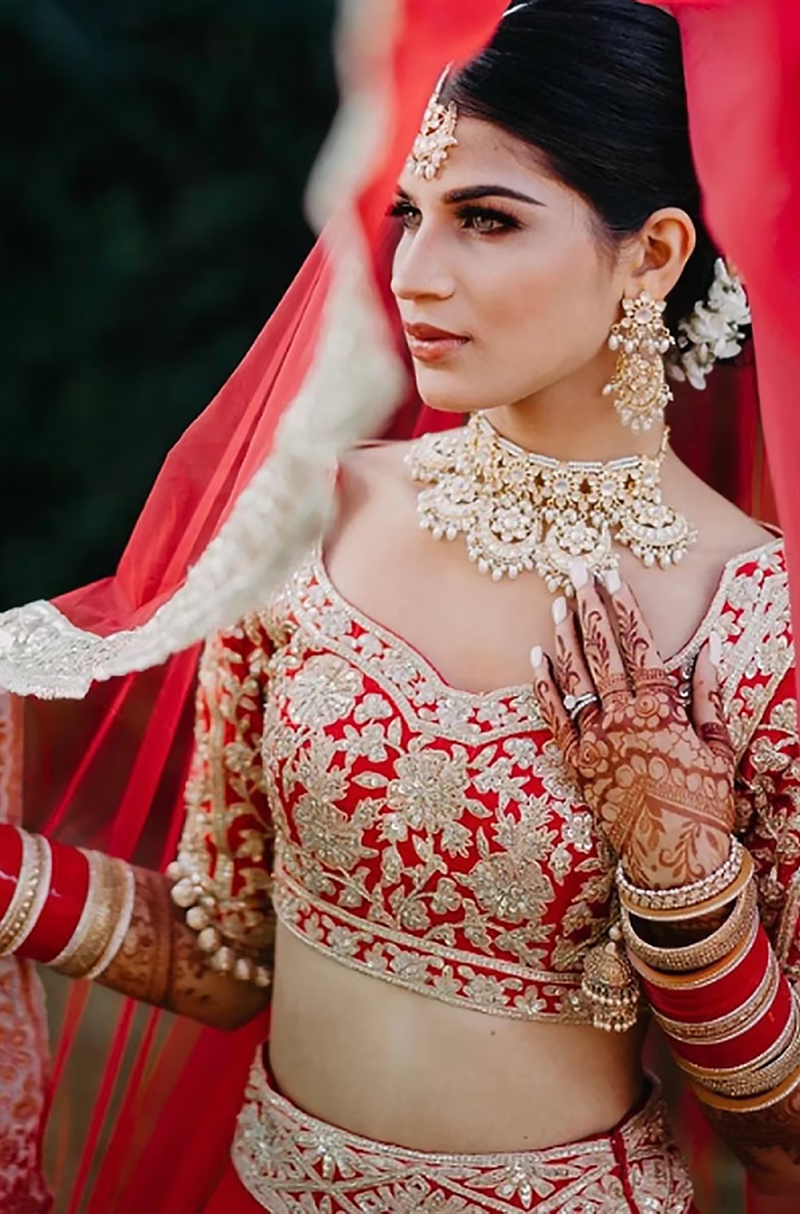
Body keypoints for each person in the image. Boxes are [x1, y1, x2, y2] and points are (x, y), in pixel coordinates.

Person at [1, 2, 800, 1211]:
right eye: (406, 215)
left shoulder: (752, 624)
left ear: (652, 252)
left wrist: (685, 883)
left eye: (484, 219)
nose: (413, 277)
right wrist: (12, 880)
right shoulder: (310, 521)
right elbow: (228, 954)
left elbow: (783, 1137)